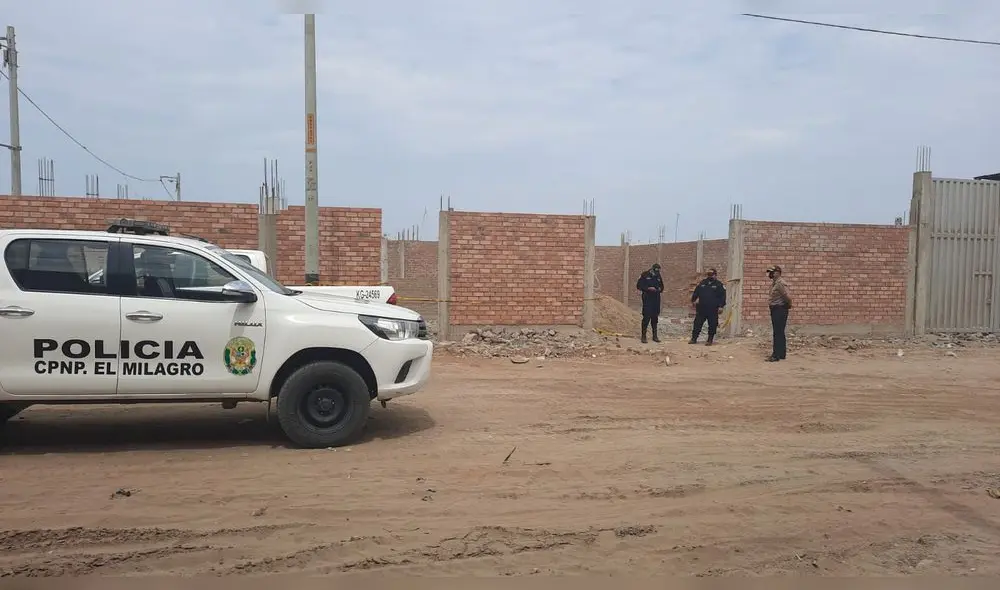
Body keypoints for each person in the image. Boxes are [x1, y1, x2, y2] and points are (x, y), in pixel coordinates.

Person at [689, 267, 726, 346]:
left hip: (713, 309)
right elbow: (696, 292)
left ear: (715, 275)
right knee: (697, 324)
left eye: (711, 274)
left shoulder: (719, 285)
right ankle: (694, 339)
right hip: (701, 308)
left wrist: (721, 306)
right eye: (708, 274)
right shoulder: (703, 283)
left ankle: (710, 340)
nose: (709, 276)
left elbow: (722, 296)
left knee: (712, 324)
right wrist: (693, 300)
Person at [766, 264, 792, 362]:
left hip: (779, 309)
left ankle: (776, 355)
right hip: (776, 309)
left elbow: (787, 297)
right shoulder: (775, 283)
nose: (770, 274)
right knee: (779, 332)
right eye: (770, 272)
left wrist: (789, 305)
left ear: (778, 273)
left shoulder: (780, 283)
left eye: (772, 272)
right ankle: (781, 354)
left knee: (777, 333)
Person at [636, 263, 664, 343]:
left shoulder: (658, 276)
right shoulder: (645, 275)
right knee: (646, 317)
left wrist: (659, 289)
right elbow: (639, 286)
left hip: (656, 299)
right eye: (655, 271)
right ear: (652, 269)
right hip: (647, 299)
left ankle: (655, 336)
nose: (656, 273)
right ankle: (643, 336)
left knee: (655, 318)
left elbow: (662, 287)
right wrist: (648, 288)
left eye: (658, 271)